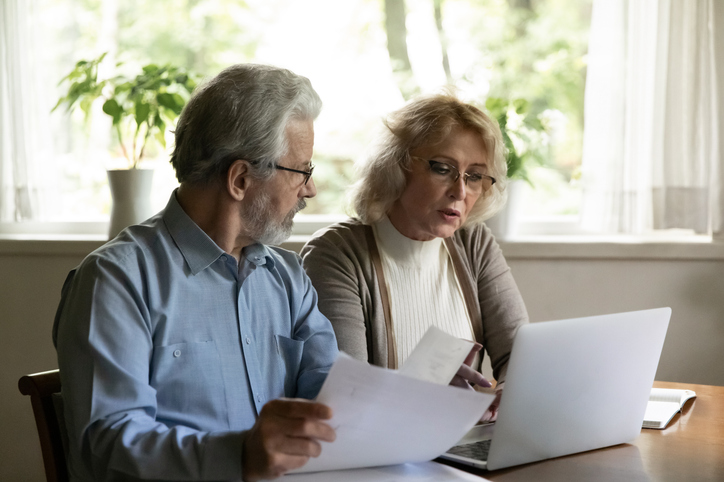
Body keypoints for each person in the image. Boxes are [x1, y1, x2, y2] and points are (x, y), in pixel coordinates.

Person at [53, 64, 339, 482]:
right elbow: (108, 444)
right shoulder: (115, 280)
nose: (310, 189)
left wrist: (420, 398)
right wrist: (238, 456)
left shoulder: (287, 277)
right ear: (240, 178)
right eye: (302, 171)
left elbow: (333, 396)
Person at [300, 92, 529, 420]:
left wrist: (513, 387)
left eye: (474, 176)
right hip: (380, 456)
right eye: (442, 168)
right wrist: (425, 389)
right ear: (396, 166)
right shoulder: (336, 253)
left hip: (458, 441)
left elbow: (520, 355)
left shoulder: (473, 242)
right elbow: (346, 394)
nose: (460, 191)